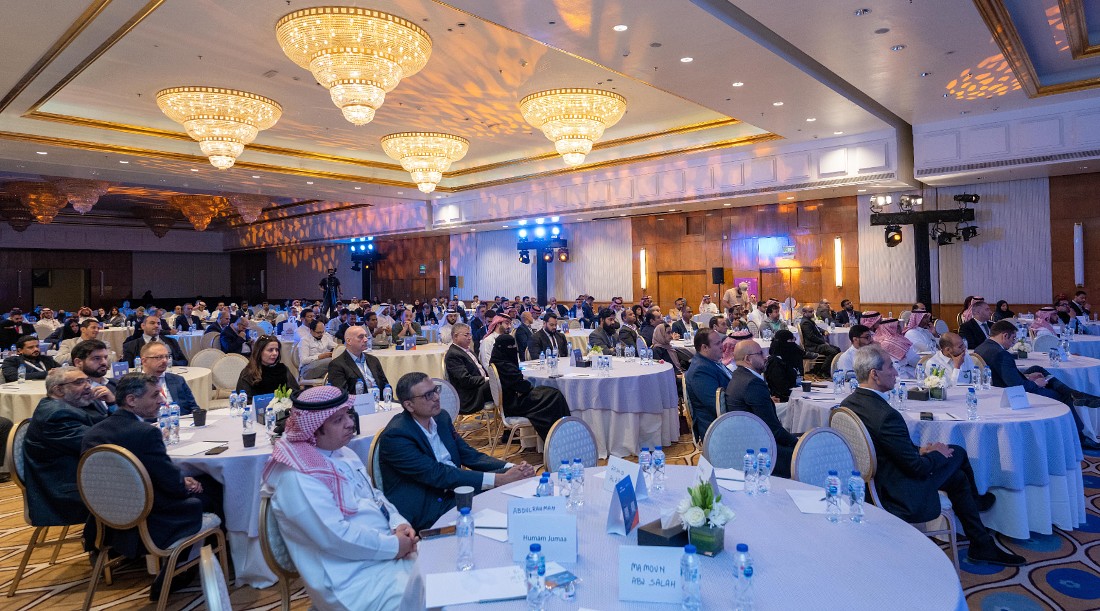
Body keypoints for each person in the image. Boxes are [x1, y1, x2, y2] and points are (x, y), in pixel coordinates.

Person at [840, 346, 1025, 567]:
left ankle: (981, 543)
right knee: (957, 452)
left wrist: (920, 450)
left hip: (872, 482)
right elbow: (917, 468)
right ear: (874, 374)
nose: (897, 373)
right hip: (897, 492)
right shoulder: (887, 416)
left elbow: (882, 446)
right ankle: (979, 511)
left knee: (958, 478)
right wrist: (938, 453)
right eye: (891, 367)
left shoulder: (849, 403)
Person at [262, 386, 418, 611]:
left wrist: (398, 522)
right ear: (314, 429)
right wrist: (394, 546)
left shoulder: (343, 452)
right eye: (337, 420)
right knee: (422, 597)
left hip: (382, 550)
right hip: (349, 578)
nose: (349, 423)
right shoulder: (297, 477)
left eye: (348, 414)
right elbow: (335, 537)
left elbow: (374, 496)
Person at [81, 373, 224, 597]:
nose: (162, 400)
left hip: (108, 520)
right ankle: (180, 569)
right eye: (155, 395)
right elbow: (173, 486)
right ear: (131, 400)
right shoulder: (146, 433)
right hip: (153, 520)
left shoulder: (94, 432)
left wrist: (178, 479)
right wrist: (185, 482)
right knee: (214, 488)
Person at [377, 372, 536, 531]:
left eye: (436, 390)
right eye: (428, 395)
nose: (436, 397)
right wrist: (500, 479)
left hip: (456, 488)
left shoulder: (441, 418)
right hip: (428, 505)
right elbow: (438, 474)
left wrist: (511, 467)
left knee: (520, 483)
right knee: (503, 500)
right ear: (409, 405)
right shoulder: (396, 436)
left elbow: (468, 454)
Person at [976, 320, 1100, 448]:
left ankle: (1074, 394)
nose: (1013, 343)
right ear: (1005, 335)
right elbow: (1017, 386)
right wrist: (1036, 383)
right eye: (1013, 339)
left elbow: (1002, 374)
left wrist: (1027, 376)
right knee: (1062, 397)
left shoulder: (982, 347)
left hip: (1000, 385)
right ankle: (1080, 437)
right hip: (1011, 394)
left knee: (1037, 368)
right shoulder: (1001, 354)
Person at [22, 367, 106, 528]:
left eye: (87, 380)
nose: (88, 386)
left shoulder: (65, 407)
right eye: (79, 382)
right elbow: (98, 446)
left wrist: (111, 403)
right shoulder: (57, 415)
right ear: (59, 390)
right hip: (62, 492)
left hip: (73, 476)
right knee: (143, 487)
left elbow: (101, 429)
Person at [725, 340, 798, 478]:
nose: (765, 357)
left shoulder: (739, 376)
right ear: (748, 359)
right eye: (760, 354)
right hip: (763, 451)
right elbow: (773, 431)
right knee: (813, 451)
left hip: (748, 440)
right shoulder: (752, 384)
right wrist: (798, 442)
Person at [489, 334, 571, 439]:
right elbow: (523, 387)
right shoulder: (505, 367)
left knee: (549, 392)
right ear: (503, 348)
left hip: (508, 402)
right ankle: (559, 436)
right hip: (514, 405)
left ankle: (559, 433)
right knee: (554, 396)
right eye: (510, 347)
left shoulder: (496, 361)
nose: (513, 349)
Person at [684, 328, 732, 440]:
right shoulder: (700, 371)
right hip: (715, 426)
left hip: (728, 414)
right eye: (717, 343)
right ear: (704, 348)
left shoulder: (711, 361)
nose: (722, 346)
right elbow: (717, 406)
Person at [444, 323, 492, 415]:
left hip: (479, 387)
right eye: (466, 335)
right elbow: (465, 380)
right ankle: (510, 418)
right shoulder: (453, 355)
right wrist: (487, 379)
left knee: (504, 382)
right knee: (503, 383)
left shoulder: (466, 350)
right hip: (470, 395)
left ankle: (509, 416)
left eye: (470, 334)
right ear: (455, 336)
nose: (470, 337)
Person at [140, 342, 199, 415]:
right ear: (144, 361)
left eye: (166, 356)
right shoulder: (135, 384)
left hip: (182, 422)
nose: (165, 360)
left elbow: (194, 408)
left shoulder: (178, 380)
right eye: (159, 357)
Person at [328, 325, 388, 395]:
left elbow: (385, 385)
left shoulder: (373, 360)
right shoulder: (337, 365)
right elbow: (341, 394)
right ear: (349, 341)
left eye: (366, 336)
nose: (366, 339)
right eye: (361, 337)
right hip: (357, 404)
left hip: (380, 401)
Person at [72, 339, 117, 415]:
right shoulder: (74, 393)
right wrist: (112, 404)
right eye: (97, 358)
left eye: (105, 357)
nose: (104, 362)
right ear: (78, 362)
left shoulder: (115, 384)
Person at [122, 315, 186, 367]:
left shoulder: (171, 341)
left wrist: (169, 362)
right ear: (143, 326)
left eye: (159, 323)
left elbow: (184, 361)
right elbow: (128, 368)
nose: (156, 326)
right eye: (152, 323)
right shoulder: (130, 346)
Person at [799, 305, 841, 377]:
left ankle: (817, 368)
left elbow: (817, 328)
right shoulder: (805, 323)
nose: (812, 313)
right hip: (812, 345)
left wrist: (823, 331)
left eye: (812, 311)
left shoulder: (808, 321)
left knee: (837, 349)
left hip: (816, 344)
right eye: (810, 312)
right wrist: (823, 342)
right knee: (833, 352)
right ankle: (823, 371)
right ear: (804, 313)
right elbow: (811, 336)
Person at [763, 330, 803, 402]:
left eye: (793, 340)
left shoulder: (793, 358)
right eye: (790, 340)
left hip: (798, 393)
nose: (793, 343)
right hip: (784, 399)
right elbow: (781, 389)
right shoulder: (775, 363)